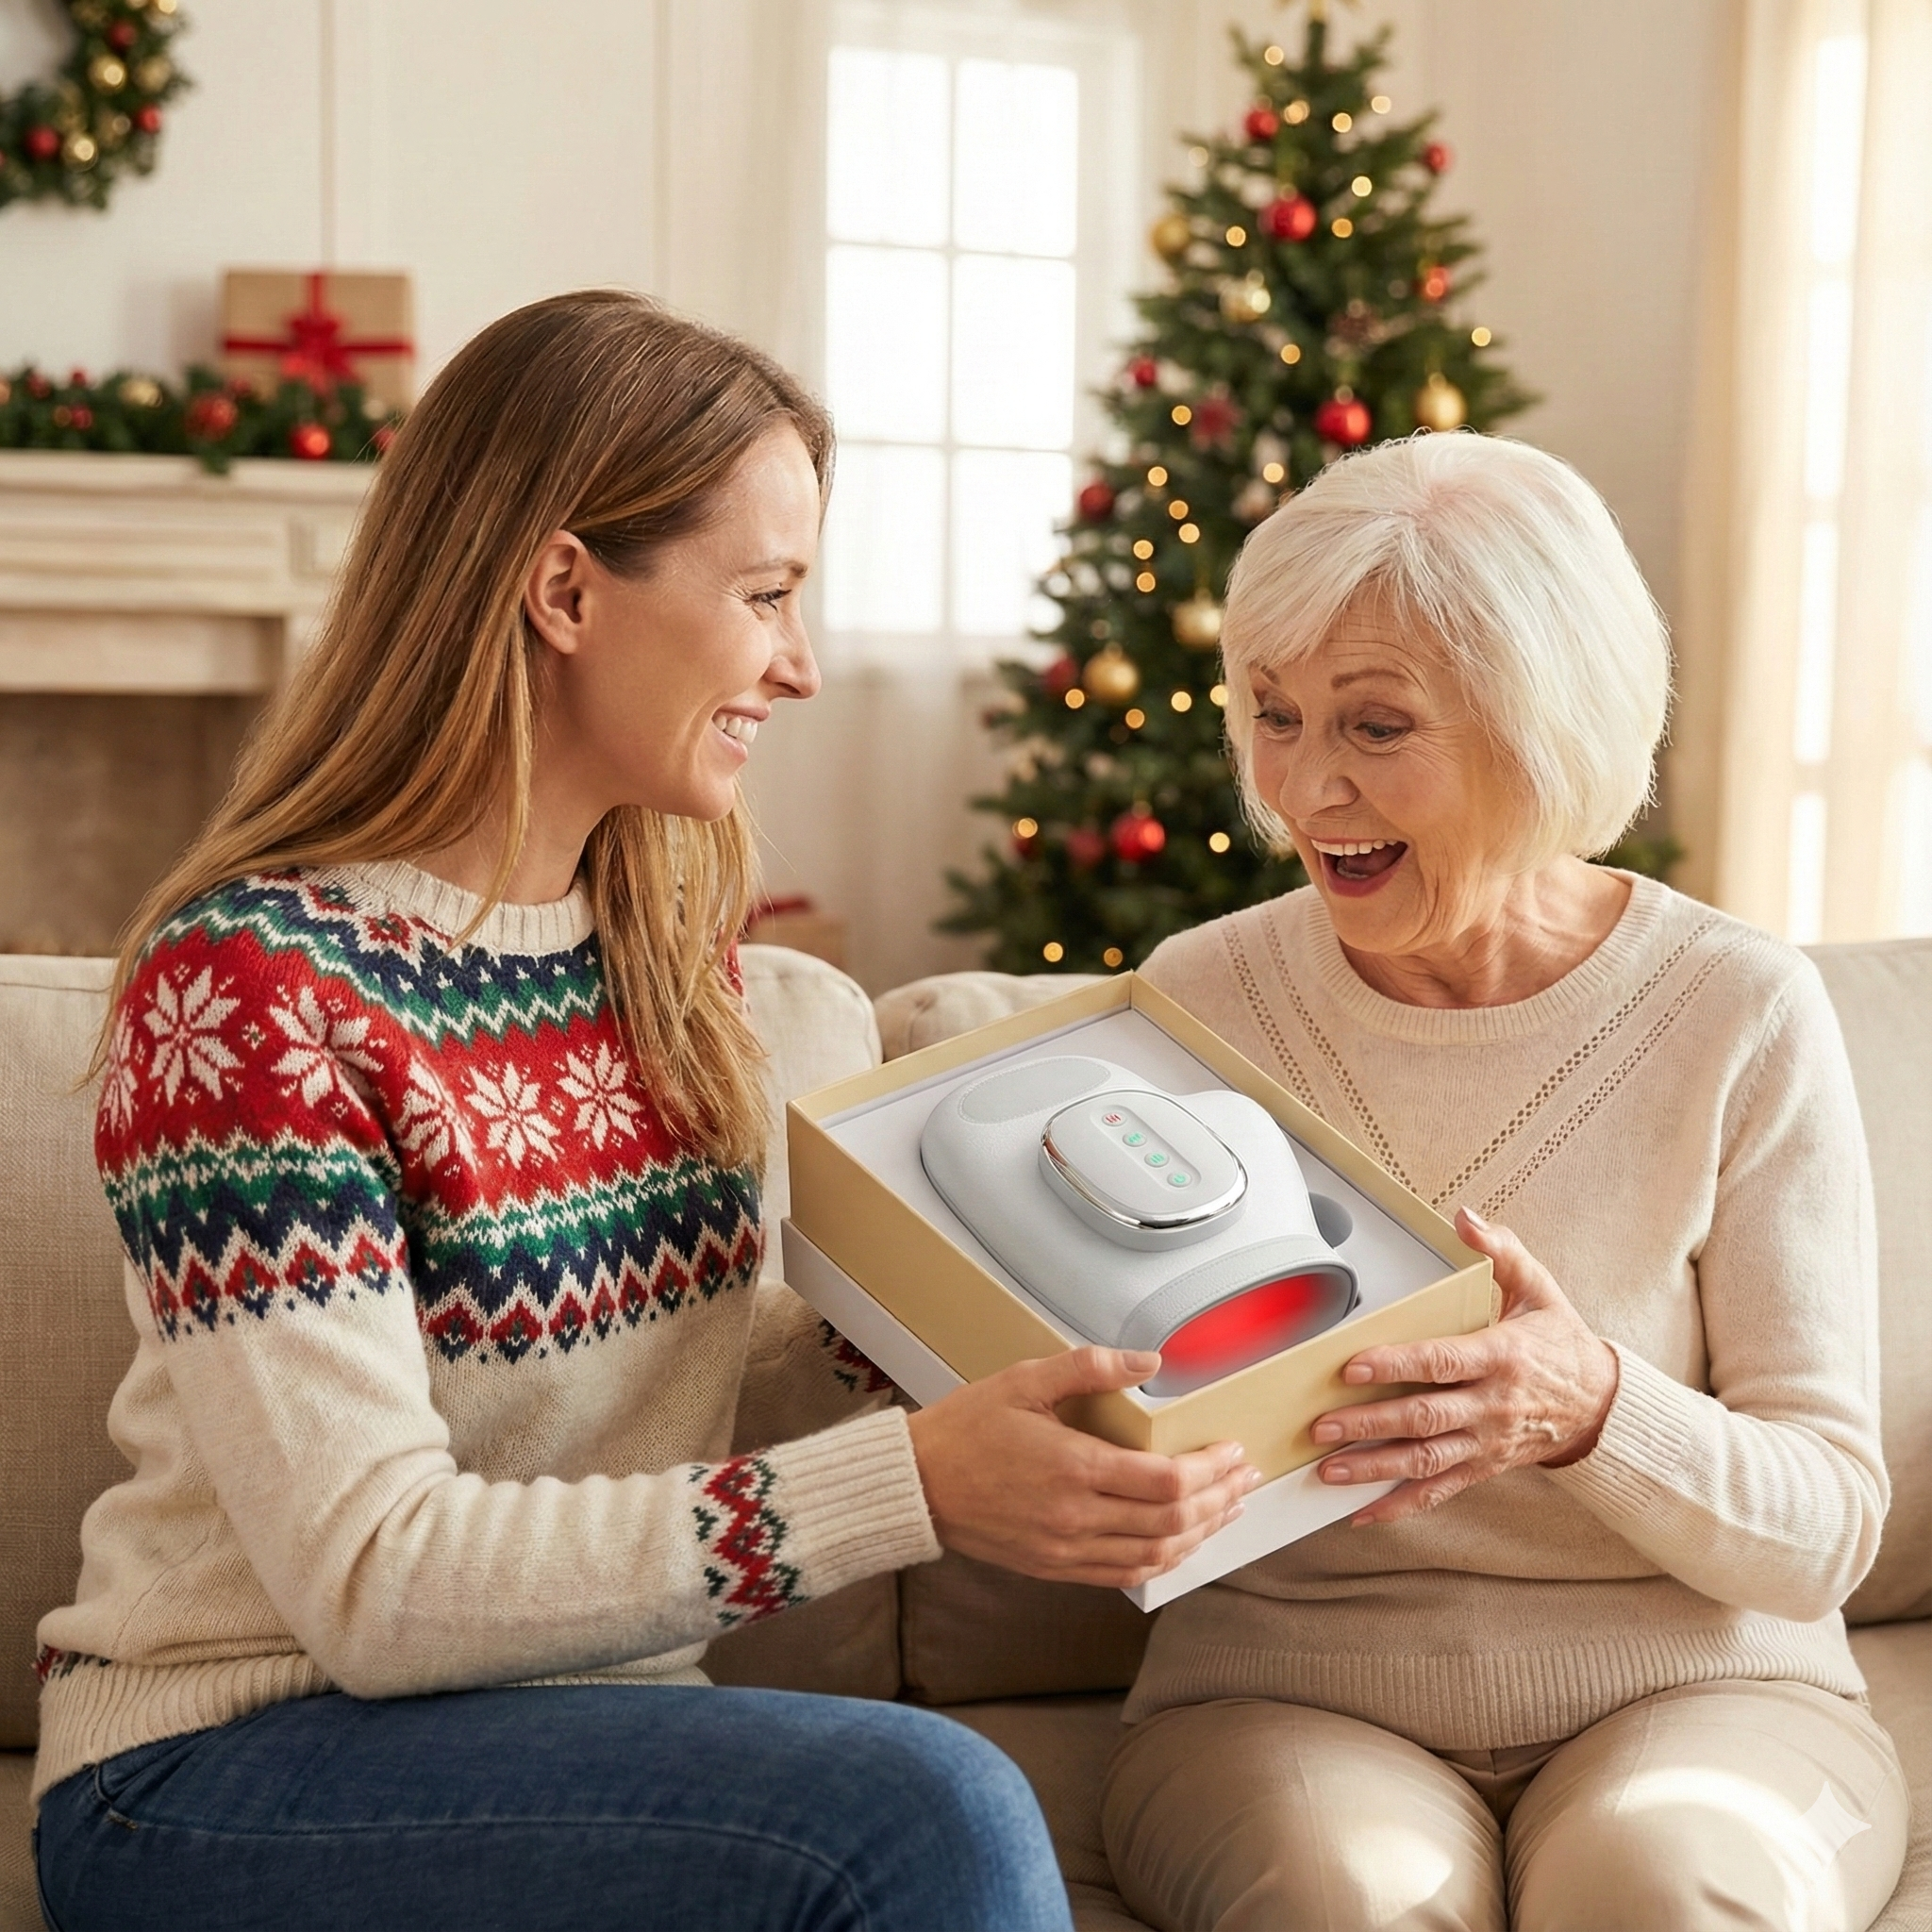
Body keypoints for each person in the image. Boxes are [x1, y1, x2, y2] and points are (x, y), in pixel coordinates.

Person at [31, 290, 1258, 1932]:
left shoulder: (676, 971)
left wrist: (890, 1340)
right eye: (764, 596)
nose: (802, 666)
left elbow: (620, 1373)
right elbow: (373, 1584)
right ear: (562, 589)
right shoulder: (251, 990)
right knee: (928, 1806)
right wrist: (911, 1484)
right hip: (228, 1764)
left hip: (587, 1732)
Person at [1099, 431, 1910, 1932]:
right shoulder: (1197, 1001)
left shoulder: (1737, 1009)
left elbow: (1826, 1525)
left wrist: (1595, 1405)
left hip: (1708, 1689)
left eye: (1377, 724)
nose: (1306, 788)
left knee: (1661, 1886)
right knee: (1350, 1901)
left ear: (1544, 728)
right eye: (1274, 715)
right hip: (1287, 1700)